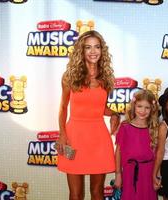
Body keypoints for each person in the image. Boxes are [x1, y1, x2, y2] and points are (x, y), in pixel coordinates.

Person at [56, 30, 120, 200]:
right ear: (81, 51)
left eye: (97, 47)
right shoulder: (69, 77)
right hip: (73, 138)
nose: (93, 51)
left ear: (102, 50)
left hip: (99, 139)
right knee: (75, 194)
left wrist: (114, 113)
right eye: (88, 47)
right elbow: (63, 108)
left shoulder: (106, 78)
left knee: (97, 192)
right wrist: (62, 135)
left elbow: (100, 108)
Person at [114, 89, 159, 200]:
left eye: (147, 107)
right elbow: (118, 152)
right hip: (129, 173)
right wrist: (118, 174)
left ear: (152, 109)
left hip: (149, 174)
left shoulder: (154, 128)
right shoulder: (125, 126)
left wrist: (157, 176)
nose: (143, 111)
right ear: (134, 106)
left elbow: (158, 155)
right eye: (139, 106)